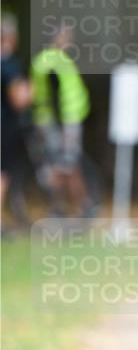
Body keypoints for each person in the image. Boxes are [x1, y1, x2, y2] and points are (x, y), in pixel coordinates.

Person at [29, 24, 91, 216]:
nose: (68, 40)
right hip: (60, 122)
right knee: (63, 165)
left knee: (62, 164)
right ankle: (69, 207)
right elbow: (54, 95)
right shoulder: (52, 62)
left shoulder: (51, 60)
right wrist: (63, 126)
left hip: (63, 120)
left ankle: (67, 207)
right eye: (65, 36)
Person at [1, 14, 31, 230]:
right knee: (2, 172)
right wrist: (33, 90)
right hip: (5, 125)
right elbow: (18, 100)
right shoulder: (10, 65)